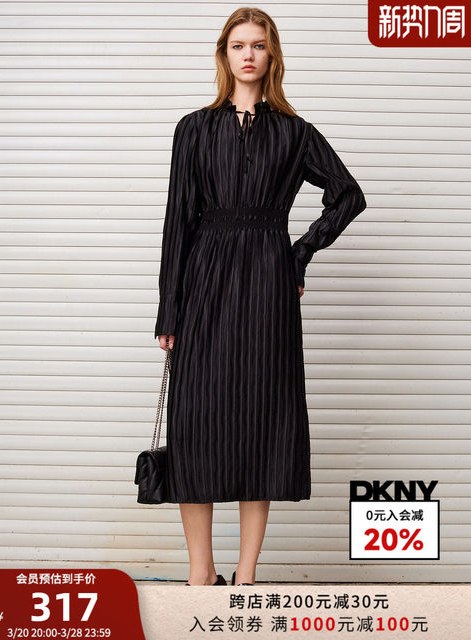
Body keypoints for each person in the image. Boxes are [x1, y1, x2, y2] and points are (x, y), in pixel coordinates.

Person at [154, 8, 367, 586]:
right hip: (204, 279)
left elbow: (348, 194)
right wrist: (169, 308)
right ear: (224, 54)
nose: (248, 54)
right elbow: (178, 223)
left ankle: (246, 575)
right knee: (196, 421)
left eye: (259, 45)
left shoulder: (295, 133)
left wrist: (299, 254)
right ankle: (201, 572)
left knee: (262, 417)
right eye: (238, 45)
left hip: (269, 282)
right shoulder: (193, 129)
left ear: (272, 56)